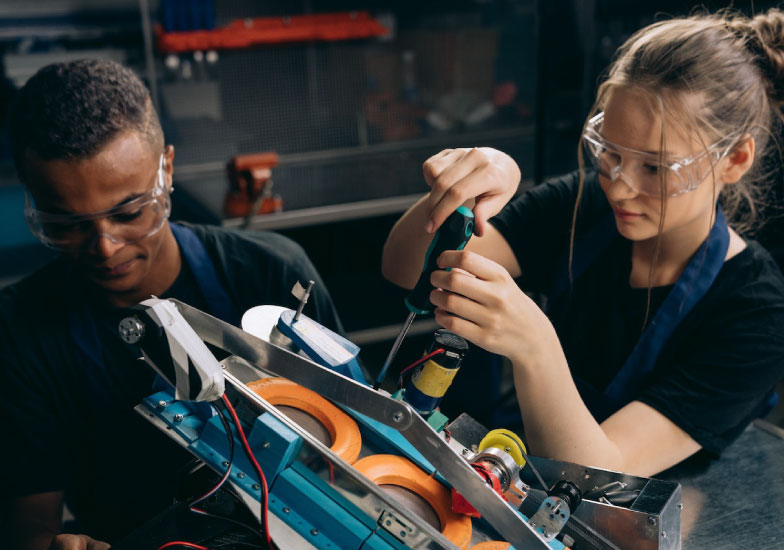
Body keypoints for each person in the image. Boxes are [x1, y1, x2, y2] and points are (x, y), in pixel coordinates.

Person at [383, 9, 784, 478]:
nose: (619, 187)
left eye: (654, 168)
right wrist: (469, 188)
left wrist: (535, 346)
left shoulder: (756, 314)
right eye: (610, 153)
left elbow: (596, 472)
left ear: (734, 160)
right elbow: (405, 269)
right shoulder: (586, 205)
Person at [0, 60, 342, 550]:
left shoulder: (271, 274)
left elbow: (353, 451)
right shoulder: (19, 328)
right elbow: (28, 522)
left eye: (129, 212)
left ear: (167, 169)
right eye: (67, 225)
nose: (105, 247)